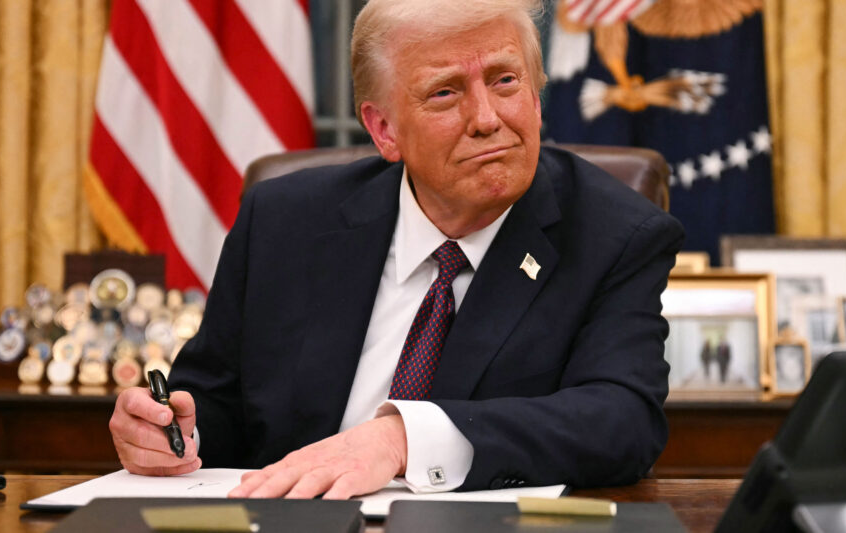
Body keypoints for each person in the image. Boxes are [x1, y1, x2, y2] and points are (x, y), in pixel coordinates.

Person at [108, 0, 684, 500]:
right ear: (384, 130)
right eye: (445, 92)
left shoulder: (615, 235)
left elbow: (622, 421)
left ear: (535, 98)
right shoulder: (285, 222)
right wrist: (172, 435)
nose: (487, 119)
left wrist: (404, 437)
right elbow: (215, 402)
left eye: (506, 81)